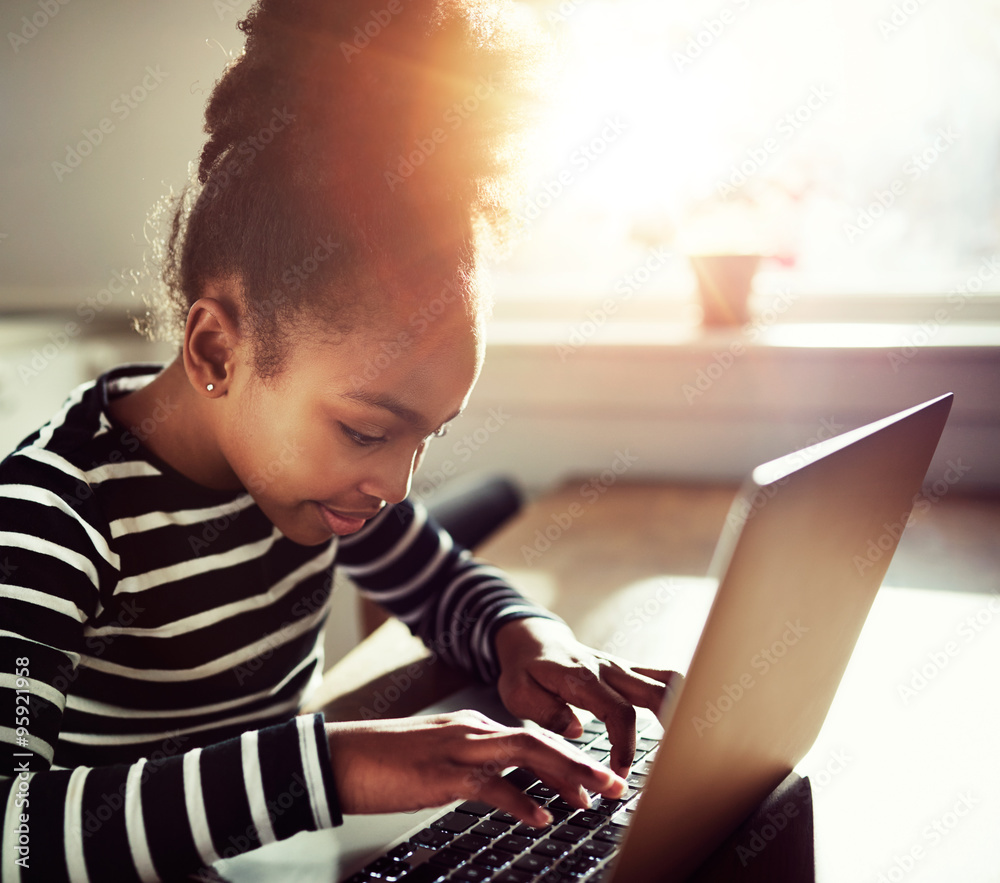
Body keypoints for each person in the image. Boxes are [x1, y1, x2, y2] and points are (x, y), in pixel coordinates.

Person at [0, 1, 676, 880]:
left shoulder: (308, 483)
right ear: (216, 349)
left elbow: (442, 587)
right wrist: (333, 766)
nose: (393, 481)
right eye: (367, 429)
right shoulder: (55, 518)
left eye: (424, 438)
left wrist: (524, 635)